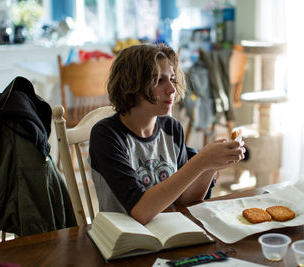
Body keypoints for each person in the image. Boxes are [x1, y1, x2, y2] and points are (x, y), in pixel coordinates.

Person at [89, 43, 245, 225]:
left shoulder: (171, 128)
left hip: (168, 230)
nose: (171, 89)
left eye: (172, 79)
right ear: (131, 85)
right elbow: (140, 211)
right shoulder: (106, 135)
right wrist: (200, 161)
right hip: (124, 239)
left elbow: (184, 202)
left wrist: (210, 165)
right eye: (158, 80)